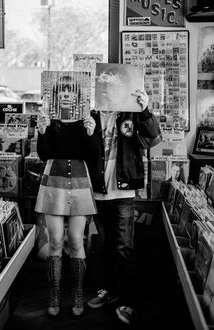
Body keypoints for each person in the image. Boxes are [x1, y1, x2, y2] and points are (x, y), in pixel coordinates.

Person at [86, 89, 162, 326]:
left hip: (124, 191)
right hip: (98, 191)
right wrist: (87, 133)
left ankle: (131, 302)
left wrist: (146, 108)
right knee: (106, 245)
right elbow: (84, 153)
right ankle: (110, 291)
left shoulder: (129, 112)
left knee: (124, 247)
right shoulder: (90, 115)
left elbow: (154, 137)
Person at [34, 74, 96, 318]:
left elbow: (92, 156)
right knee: (56, 241)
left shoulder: (86, 120)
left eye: (71, 90)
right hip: (54, 181)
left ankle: (79, 294)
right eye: (63, 90)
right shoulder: (48, 119)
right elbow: (43, 154)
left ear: (78, 96)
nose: (68, 94)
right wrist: (41, 131)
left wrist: (92, 135)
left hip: (80, 180)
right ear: (56, 95)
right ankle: (55, 294)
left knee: (77, 241)